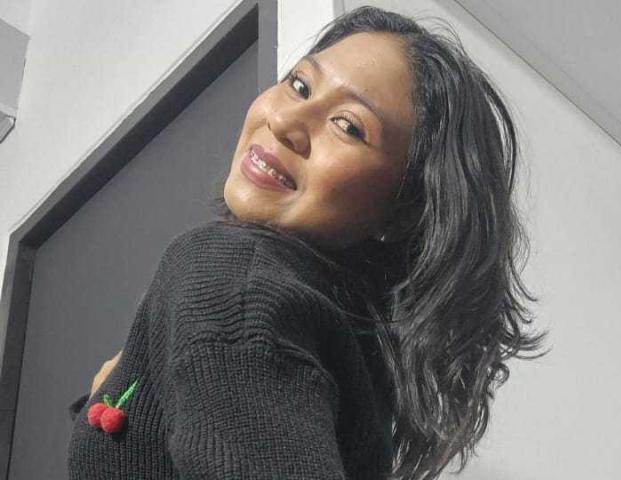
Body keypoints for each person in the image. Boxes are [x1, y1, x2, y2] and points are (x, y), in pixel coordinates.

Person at [66, 6, 548, 480]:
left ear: (400, 211)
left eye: (348, 125)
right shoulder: (343, 346)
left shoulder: (234, 282)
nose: (284, 123)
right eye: (299, 85)